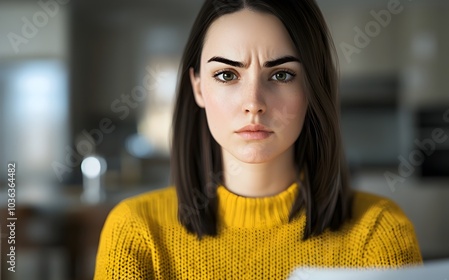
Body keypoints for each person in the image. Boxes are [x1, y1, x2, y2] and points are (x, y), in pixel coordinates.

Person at [94, 0, 422, 279]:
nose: (254, 102)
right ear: (198, 87)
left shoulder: (379, 231)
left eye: (281, 75)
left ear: (312, 88)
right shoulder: (137, 232)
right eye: (227, 75)